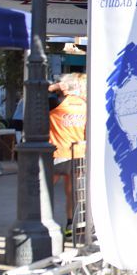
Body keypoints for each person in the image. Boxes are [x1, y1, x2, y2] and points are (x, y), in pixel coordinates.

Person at [48, 74, 88, 238]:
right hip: (78, 153)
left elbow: (39, 92)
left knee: (45, 190)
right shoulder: (85, 104)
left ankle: (44, 221)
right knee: (72, 191)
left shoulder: (56, 102)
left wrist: (55, 86)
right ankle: (71, 224)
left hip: (58, 153)